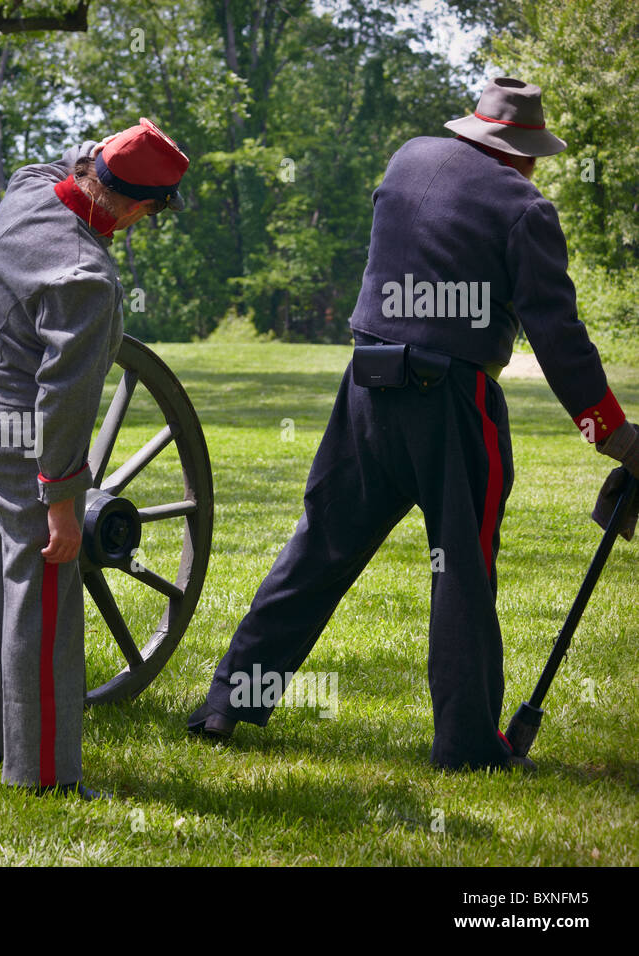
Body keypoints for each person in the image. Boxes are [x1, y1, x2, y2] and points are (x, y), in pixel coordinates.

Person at [186, 78, 639, 772]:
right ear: (521, 153)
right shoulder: (525, 208)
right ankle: (466, 747)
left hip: (367, 381)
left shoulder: (407, 160)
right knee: (460, 568)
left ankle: (228, 702)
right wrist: (613, 434)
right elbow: (560, 337)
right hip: (451, 402)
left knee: (319, 547)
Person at [0, 118, 189, 796]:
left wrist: (117, 149)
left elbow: (68, 160)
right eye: (150, 208)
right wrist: (62, 502)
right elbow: (65, 402)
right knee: (46, 599)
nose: (145, 219)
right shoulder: (85, 278)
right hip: (22, 441)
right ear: (138, 204)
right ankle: (45, 774)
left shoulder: (26, 193)